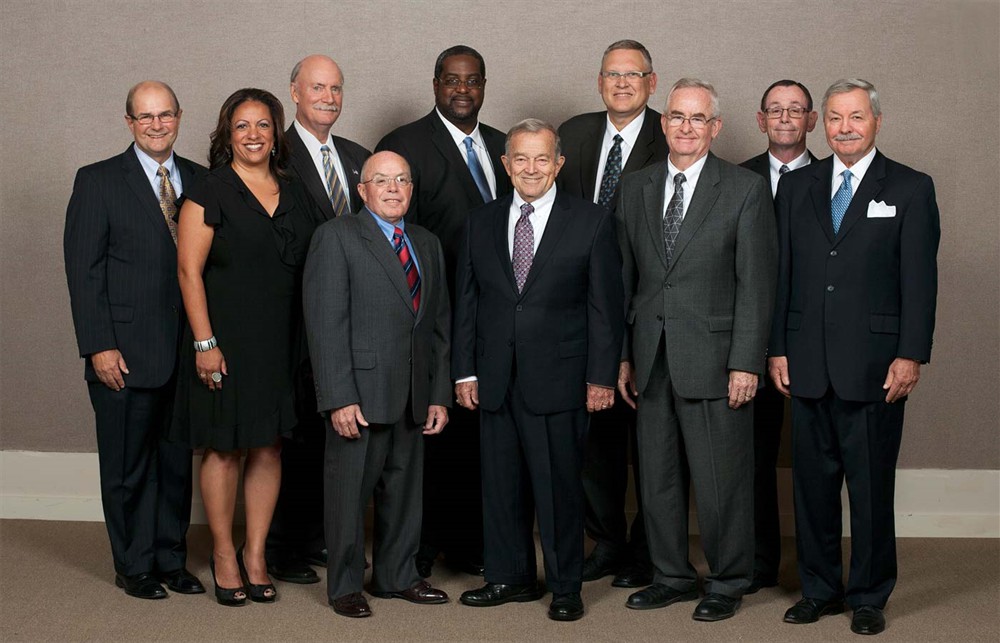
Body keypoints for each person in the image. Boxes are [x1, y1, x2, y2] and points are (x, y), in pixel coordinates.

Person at [769, 78, 939, 636]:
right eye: (837, 118)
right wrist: (777, 347)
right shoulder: (798, 187)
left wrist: (910, 354)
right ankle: (819, 589)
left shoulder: (911, 188)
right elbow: (783, 277)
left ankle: (868, 594)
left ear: (876, 122)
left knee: (869, 489)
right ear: (825, 122)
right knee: (812, 488)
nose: (845, 128)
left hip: (875, 365)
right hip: (807, 361)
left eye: (857, 118)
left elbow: (919, 282)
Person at [617, 78, 777, 622]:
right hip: (650, 354)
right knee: (657, 477)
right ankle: (671, 575)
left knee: (720, 479)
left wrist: (745, 362)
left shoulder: (743, 189)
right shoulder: (635, 187)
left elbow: (756, 284)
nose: (686, 127)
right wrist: (622, 355)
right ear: (663, 124)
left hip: (715, 357)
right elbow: (625, 278)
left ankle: (728, 579)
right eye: (677, 117)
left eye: (698, 119)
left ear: (715, 128)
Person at [454, 119, 625, 622]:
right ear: (506, 165)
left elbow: (605, 309)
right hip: (495, 377)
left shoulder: (590, 221)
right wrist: (465, 372)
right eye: (521, 159)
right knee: (500, 484)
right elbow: (468, 302)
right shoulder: (480, 221)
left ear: (558, 164)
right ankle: (510, 577)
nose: (531, 169)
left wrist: (600, 377)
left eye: (542, 159)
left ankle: (566, 586)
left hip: (561, 379)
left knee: (559, 489)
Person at [171, 88, 323, 606]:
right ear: (226, 134)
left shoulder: (294, 186)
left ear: (275, 133)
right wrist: (204, 342)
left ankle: (255, 552)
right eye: (242, 126)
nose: (254, 134)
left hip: (283, 340)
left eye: (263, 125)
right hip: (227, 340)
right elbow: (188, 271)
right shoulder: (208, 189)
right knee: (224, 447)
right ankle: (223, 553)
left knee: (269, 445)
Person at [64, 80, 206, 600]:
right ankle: (134, 566)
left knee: (174, 465)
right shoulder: (98, 181)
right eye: (144, 117)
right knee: (127, 467)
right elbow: (84, 271)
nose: (156, 125)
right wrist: (99, 345)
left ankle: (170, 559)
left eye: (165, 115)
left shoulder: (200, 179)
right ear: (129, 123)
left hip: (183, 352)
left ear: (178, 117)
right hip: (121, 353)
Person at [376, 44, 512, 578]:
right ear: (435, 84)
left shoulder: (504, 147)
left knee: (482, 432)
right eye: (452, 80)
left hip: (496, 315)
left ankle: (473, 545)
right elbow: (388, 228)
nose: (462, 89)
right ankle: (422, 547)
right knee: (433, 432)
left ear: (483, 85)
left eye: (472, 80)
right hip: (430, 313)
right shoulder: (404, 144)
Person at [303, 151, 451, 618]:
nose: (392, 188)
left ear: (412, 188)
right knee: (348, 495)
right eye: (381, 180)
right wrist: (338, 397)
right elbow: (325, 324)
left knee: (406, 493)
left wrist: (438, 394)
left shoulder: (426, 243)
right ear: (362, 190)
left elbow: (439, 325)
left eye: (402, 180)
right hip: (359, 395)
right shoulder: (337, 237)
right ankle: (345, 585)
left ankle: (397, 574)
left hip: (412, 393)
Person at [556, 38, 667, 589]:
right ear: (599, 82)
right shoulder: (572, 134)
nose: (622, 84)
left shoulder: (673, 133)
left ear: (652, 81)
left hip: (651, 308)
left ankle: (650, 549)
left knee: (653, 439)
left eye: (633, 74)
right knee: (595, 440)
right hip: (582, 311)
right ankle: (607, 542)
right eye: (612, 75)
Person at [265, 54, 372, 586]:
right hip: (289, 314)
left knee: (333, 431)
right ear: (294, 92)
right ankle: (285, 546)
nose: (328, 97)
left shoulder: (358, 158)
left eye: (336, 88)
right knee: (295, 432)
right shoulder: (271, 153)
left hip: (350, 320)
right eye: (317, 88)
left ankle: (321, 537)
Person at [738, 79, 818, 593]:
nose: (785, 117)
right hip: (748, 339)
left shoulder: (835, 179)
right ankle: (758, 565)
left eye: (796, 110)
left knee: (813, 461)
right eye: (775, 109)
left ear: (812, 120)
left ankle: (816, 574)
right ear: (761, 118)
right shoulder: (734, 177)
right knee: (751, 458)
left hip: (813, 340)